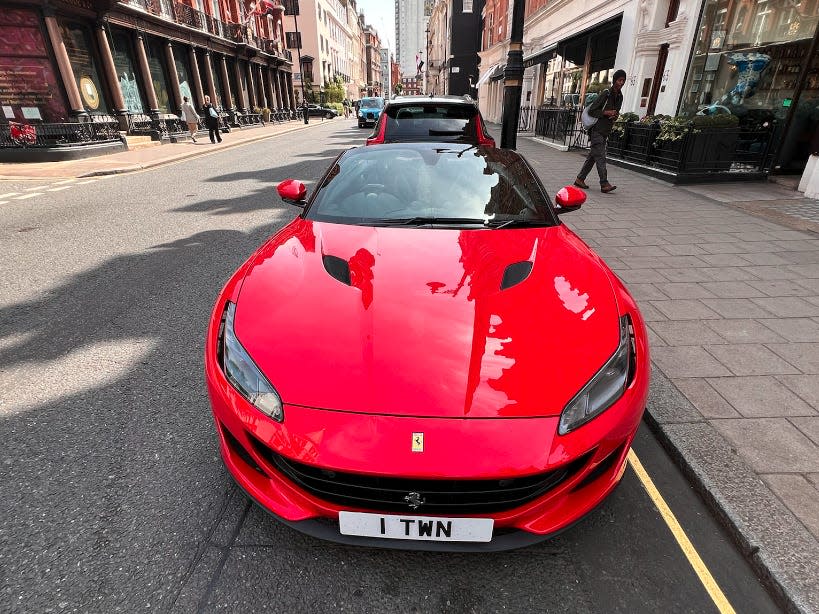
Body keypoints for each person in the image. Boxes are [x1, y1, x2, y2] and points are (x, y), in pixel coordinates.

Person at [575, 69, 626, 193]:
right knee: (601, 157)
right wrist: (605, 112)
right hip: (597, 129)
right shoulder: (606, 93)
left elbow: (617, 111)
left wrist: (615, 115)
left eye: (623, 80)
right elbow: (592, 110)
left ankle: (580, 179)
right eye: (620, 80)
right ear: (615, 80)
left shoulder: (620, 96)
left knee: (593, 156)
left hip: (605, 130)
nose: (621, 83)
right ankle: (604, 183)